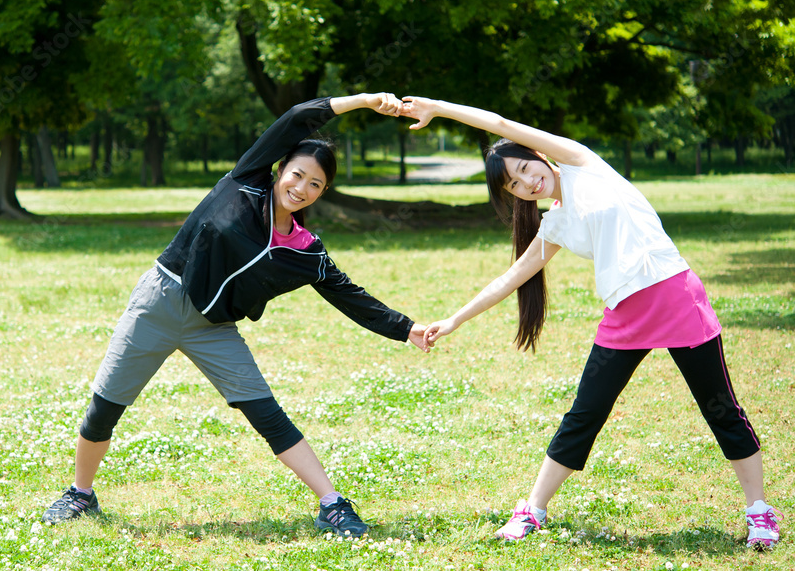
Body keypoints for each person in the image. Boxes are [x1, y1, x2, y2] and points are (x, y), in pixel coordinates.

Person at [401, 96, 781, 549]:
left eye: (524, 169)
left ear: (537, 154)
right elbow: (511, 278)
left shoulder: (583, 164)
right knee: (584, 414)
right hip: (625, 317)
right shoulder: (555, 224)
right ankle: (532, 510)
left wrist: (438, 108)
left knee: (720, 409)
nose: (527, 182)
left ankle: (760, 513)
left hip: (677, 300)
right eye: (515, 186)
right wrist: (453, 320)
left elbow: (500, 122)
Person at [41, 93, 429, 537]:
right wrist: (360, 101)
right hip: (160, 302)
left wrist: (407, 328)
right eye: (297, 174)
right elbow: (298, 118)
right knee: (104, 409)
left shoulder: (306, 251)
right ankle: (80, 494)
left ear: (322, 192)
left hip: (214, 329)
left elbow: (350, 296)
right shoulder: (245, 181)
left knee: (268, 414)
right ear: (281, 169)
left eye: (314, 184)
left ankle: (333, 504)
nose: (300, 188)